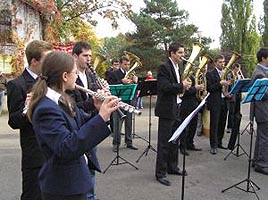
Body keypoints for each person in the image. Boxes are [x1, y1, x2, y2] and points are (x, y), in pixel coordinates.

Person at [26, 51, 119, 200]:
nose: (76, 76)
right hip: (63, 187)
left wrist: (98, 110)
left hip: (73, 182)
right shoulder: (46, 108)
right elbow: (66, 147)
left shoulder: (63, 99)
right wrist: (102, 117)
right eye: (74, 73)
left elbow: (82, 123)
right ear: (64, 76)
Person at [7, 40, 53, 200]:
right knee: (33, 195)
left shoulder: (50, 82)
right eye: (47, 59)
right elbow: (13, 121)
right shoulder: (16, 84)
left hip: (54, 148)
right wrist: (28, 108)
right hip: (35, 155)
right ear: (34, 61)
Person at [66, 41, 102, 200]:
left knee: (92, 165)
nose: (89, 59)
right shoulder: (69, 78)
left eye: (90, 55)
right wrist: (93, 102)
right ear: (75, 56)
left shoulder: (91, 75)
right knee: (81, 167)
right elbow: (71, 106)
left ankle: (91, 195)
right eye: (85, 55)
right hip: (77, 128)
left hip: (91, 123)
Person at [154, 42, 191, 186]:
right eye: (180, 53)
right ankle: (160, 173)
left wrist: (183, 86)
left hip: (176, 107)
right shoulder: (164, 67)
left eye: (183, 53)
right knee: (164, 143)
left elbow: (175, 87)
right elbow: (165, 87)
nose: (183, 56)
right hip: (166, 110)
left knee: (175, 140)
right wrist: (182, 85)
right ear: (172, 53)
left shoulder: (178, 67)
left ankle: (172, 167)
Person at [108, 56, 138, 152]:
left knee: (129, 122)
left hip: (129, 100)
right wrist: (121, 81)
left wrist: (135, 82)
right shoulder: (114, 73)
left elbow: (135, 88)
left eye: (128, 64)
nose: (127, 66)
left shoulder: (131, 73)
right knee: (117, 123)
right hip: (118, 102)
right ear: (121, 64)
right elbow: (110, 85)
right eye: (125, 64)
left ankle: (129, 142)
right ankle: (116, 143)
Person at [206, 55, 231, 155]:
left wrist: (228, 89)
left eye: (223, 62)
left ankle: (219, 142)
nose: (223, 64)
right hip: (215, 101)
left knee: (222, 123)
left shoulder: (226, 73)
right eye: (220, 62)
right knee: (214, 124)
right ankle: (213, 145)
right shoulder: (210, 73)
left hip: (224, 101)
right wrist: (220, 83)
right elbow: (210, 88)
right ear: (215, 63)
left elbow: (227, 86)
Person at [179, 65, 204, 156]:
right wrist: (196, 88)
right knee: (185, 126)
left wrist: (200, 89)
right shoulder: (184, 77)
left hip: (195, 103)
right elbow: (184, 92)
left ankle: (190, 143)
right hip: (186, 103)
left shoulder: (194, 76)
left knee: (193, 125)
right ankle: (183, 146)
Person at [251, 47, 268, 175]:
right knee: (264, 138)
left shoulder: (263, 71)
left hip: (263, 110)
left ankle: (257, 160)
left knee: (262, 136)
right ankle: (261, 164)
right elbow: (264, 93)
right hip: (263, 110)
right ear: (263, 58)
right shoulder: (259, 73)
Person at [227, 63, 243, 150]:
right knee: (231, 112)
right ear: (234, 68)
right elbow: (230, 85)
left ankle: (235, 126)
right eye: (237, 69)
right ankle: (230, 126)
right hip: (232, 95)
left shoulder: (239, 75)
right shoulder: (230, 74)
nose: (238, 71)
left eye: (239, 69)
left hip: (237, 95)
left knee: (237, 111)